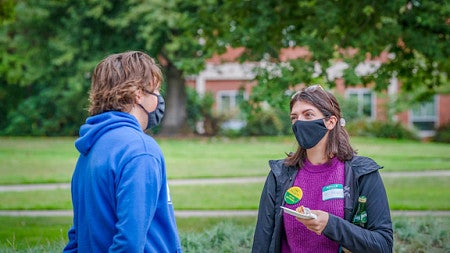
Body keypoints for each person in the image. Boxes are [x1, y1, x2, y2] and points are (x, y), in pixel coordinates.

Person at [63, 51, 182, 252]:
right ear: (138, 93)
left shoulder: (90, 148)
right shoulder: (140, 150)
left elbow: (77, 238)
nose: (159, 99)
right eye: (156, 90)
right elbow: (129, 243)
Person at [252, 85, 393, 253]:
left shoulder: (362, 173)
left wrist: (331, 224)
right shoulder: (280, 173)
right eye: (294, 117)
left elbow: (383, 245)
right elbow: (263, 240)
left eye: (308, 114)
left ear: (331, 122)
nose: (300, 123)